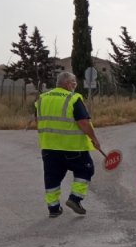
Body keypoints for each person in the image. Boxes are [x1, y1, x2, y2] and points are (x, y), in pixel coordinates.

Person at [35, 71, 102, 218]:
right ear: (67, 84)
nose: (75, 85)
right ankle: (75, 199)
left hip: (48, 147)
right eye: (74, 82)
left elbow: (39, 120)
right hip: (73, 147)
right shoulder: (73, 98)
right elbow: (83, 122)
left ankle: (53, 208)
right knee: (85, 170)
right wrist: (94, 139)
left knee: (52, 177)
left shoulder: (42, 98)